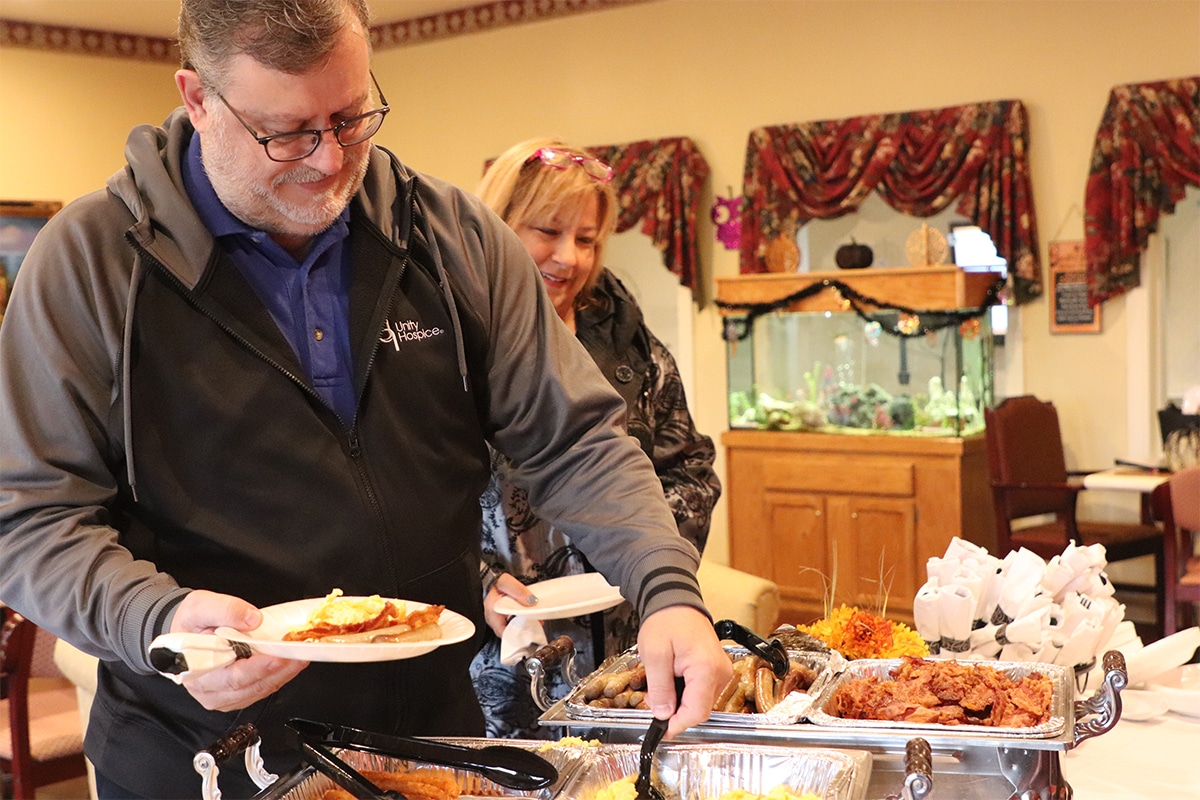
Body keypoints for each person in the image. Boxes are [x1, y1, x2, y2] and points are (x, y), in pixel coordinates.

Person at [0, 1, 731, 797]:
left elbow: (576, 441)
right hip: (200, 748)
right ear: (198, 98)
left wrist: (666, 593)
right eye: (285, 133)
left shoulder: (455, 238)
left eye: (351, 118)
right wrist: (159, 623)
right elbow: (29, 516)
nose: (327, 161)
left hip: (428, 737)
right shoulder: (94, 262)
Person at [469, 138, 722, 738]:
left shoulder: (629, 340)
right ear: (496, 225)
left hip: (626, 640)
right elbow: (405, 499)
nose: (568, 257)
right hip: (498, 656)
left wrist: (643, 558)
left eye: (586, 239)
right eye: (546, 232)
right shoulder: (444, 340)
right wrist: (474, 579)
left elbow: (690, 469)